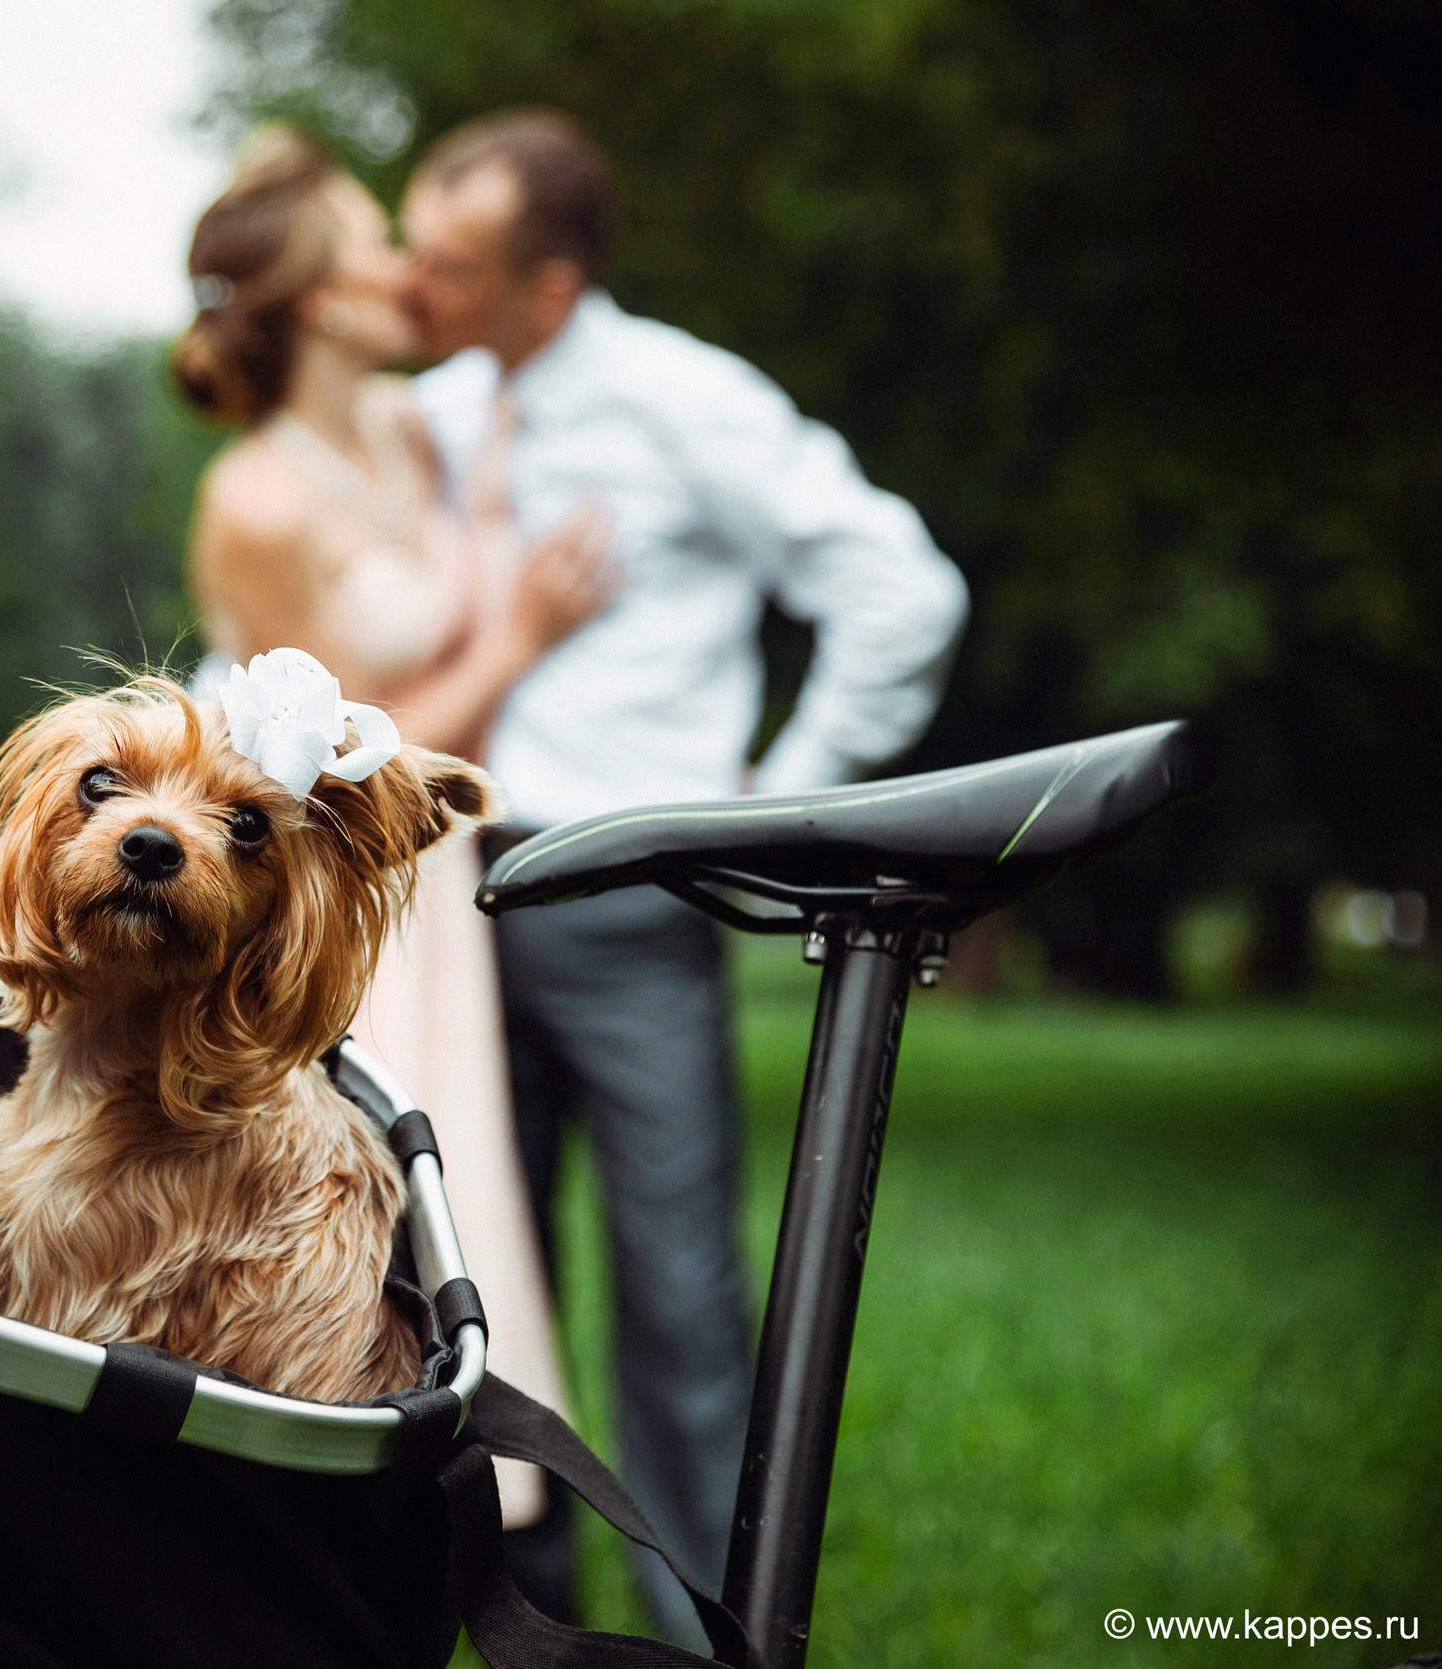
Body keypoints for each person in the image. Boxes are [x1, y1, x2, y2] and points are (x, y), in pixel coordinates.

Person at [399, 110, 970, 1644]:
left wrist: (774, 815)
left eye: (447, 264)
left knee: (683, 1313)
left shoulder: (683, 401)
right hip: (446, 912)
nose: (410, 283)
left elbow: (898, 586)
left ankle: (710, 1636)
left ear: (552, 286)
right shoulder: (432, 416)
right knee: (461, 1296)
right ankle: (512, 1622)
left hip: (635, 902)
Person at [173, 126, 608, 1533]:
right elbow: (343, 761)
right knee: (350, 1212)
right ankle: (333, 1516)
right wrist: (526, 634)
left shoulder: (419, 430)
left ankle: (498, 1509)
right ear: (319, 299)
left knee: (465, 1192)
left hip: (445, 884)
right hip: (342, 889)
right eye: (375, 243)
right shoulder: (254, 496)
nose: (406, 267)